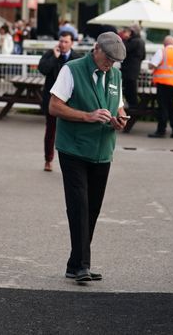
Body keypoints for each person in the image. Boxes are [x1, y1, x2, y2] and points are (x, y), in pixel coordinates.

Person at [49, 31, 128, 283]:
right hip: (73, 149)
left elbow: (118, 106)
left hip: (102, 151)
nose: (110, 64)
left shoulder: (115, 75)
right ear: (96, 49)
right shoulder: (71, 69)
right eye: (108, 59)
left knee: (92, 209)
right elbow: (54, 106)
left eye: (114, 61)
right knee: (79, 207)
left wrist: (120, 119)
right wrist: (87, 116)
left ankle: (76, 264)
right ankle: (82, 265)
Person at [37, 31, 81, 172]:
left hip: (71, 101)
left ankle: (72, 162)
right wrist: (54, 58)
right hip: (53, 100)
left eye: (66, 42)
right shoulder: (51, 54)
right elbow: (42, 69)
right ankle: (48, 159)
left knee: (71, 133)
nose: (62, 44)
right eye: (61, 41)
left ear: (71, 43)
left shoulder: (77, 58)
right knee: (51, 131)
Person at [147, 36, 173, 139]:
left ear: (164, 43)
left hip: (163, 83)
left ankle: (161, 131)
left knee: (163, 108)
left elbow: (153, 65)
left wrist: (150, 65)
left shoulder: (162, 52)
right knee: (171, 108)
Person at [120, 25, 145, 110]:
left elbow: (123, 49)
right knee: (131, 88)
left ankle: (133, 107)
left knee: (129, 89)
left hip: (128, 69)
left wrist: (124, 39)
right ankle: (133, 106)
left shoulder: (134, 41)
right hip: (135, 69)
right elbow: (143, 56)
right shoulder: (141, 41)